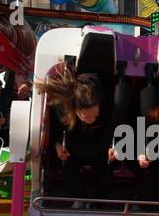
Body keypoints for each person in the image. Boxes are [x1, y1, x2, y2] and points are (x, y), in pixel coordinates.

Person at [36, 67, 115, 204]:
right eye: (86, 117)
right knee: (73, 184)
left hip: (99, 147)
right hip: (74, 150)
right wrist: (58, 147)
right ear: (75, 110)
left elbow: (114, 129)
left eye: (95, 116)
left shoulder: (105, 107)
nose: (93, 120)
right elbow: (55, 132)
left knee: (106, 182)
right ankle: (80, 200)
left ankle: (96, 203)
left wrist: (113, 146)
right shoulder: (63, 110)